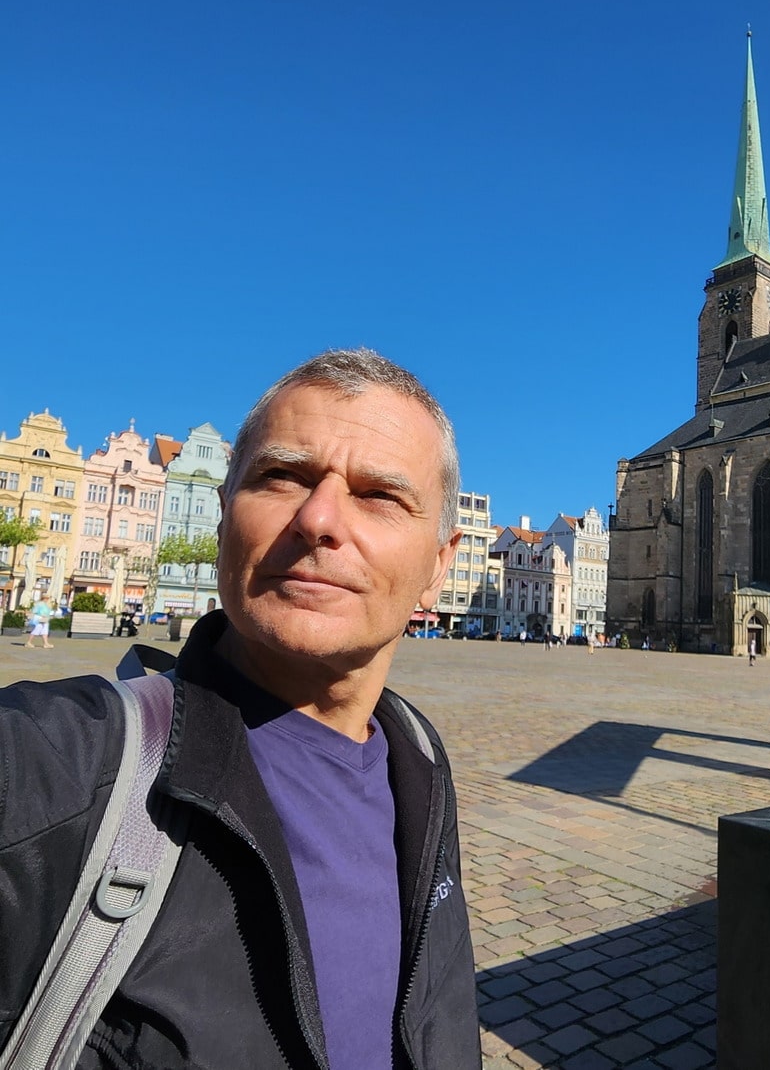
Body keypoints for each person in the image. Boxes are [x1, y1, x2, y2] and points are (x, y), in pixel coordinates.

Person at [0, 350, 481, 1069]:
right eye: (281, 475)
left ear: (439, 565)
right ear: (225, 513)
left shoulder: (420, 758)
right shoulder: (66, 765)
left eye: (379, 494)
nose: (318, 518)